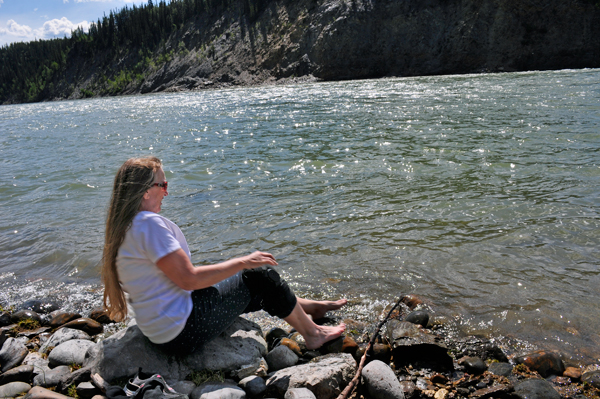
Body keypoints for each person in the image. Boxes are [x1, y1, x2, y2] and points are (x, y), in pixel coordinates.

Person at [101, 156, 346, 354]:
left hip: (161, 331)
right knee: (260, 275)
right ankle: (313, 334)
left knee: (244, 282)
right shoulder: (148, 225)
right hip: (183, 331)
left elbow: (176, 281)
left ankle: (309, 308)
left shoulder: (125, 227)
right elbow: (189, 279)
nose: (166, 192)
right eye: (162, 185)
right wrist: (243, 261)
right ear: (145, 191)